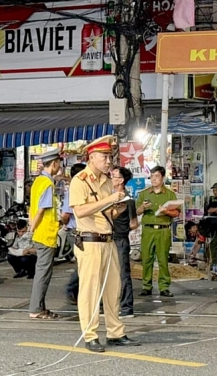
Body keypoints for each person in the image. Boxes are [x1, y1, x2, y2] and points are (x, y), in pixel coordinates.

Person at [69, 136, 139, 352]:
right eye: (104, 157)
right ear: (92, 157)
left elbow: (106, 212)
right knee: (90, 291)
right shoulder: (80, 180)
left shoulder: (107, 181)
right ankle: (90, 335)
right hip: (89, 242)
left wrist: (118, 206)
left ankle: (115, 332)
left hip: (108, 240)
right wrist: (109, 200)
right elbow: (79, 210)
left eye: (110, 157)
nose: (109, 161)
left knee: (113, 289)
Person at [28, 148, 62, 320]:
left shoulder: (37, 182)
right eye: (59, 164)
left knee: (42, 271)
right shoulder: (48, 184)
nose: (59, 167)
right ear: (54, 164)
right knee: (43, 273)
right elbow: (41, 210)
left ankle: (40, 306)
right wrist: (32, 227)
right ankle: (35, 309)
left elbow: (31, 207)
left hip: (40, 233)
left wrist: (31, 226)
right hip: (45, 234)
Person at [136, 166, 177, 297]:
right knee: (147, 259)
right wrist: (142, 207)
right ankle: (146, 286)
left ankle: (164, 286)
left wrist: (166, 211)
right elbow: (136, 211)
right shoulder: (144, 194)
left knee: (163, 259)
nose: (153, 179)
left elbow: (176, 212)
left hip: (163, 230)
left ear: (163, 178)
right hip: (148, 230)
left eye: (157, 176)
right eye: (152, 176)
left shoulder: (170, 194)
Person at [111, 166, 139, 318]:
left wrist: (122, 227)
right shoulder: (109, 196)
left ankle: (127, 307)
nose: (111, 178)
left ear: (121, 180)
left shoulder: (127, 200)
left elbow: (134, 223)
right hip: (109, 238)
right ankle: (111, 306)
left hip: (120, 239)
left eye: (114, 176)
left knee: (123, 274)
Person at [61, 162, 87, 305]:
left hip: (83, 231)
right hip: (75, 231)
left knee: (85, 264)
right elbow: (65, 214)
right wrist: (65, 224)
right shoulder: (73, 190)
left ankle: (77, 292)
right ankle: (72, 289)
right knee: (83, 264)